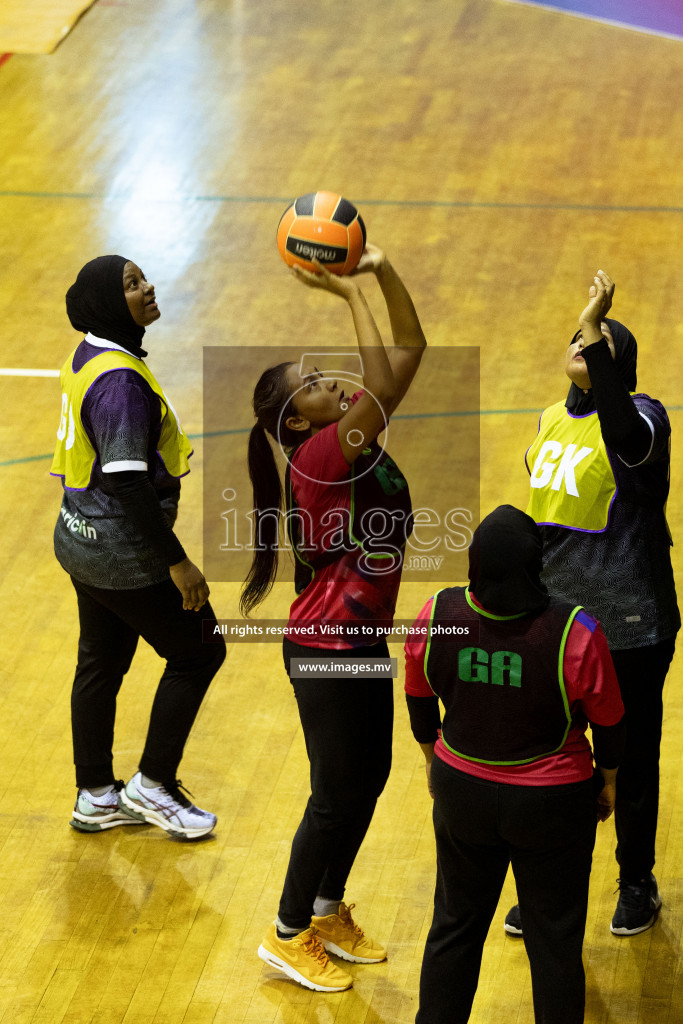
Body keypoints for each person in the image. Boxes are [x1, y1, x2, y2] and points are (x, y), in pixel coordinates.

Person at [242, 245, 426, 991]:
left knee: (369, 777)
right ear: (295, 419)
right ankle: (286, 932)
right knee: (332, 790)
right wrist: (347, 295)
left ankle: (324, 910)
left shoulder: (350, 437)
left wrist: (381, 271)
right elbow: (380, 382)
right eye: (313, 384)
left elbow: (408, 348)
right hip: (323, 646)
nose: (330, 385)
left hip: (356, 638)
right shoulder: (319, 454)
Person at [405, 505, 625, 1024]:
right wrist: (608, 781)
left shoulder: (438, 613)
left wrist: (433, 761)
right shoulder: (575, 630)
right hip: (552, 805)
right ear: (537, 563)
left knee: (454, 929)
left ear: (474, 563)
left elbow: (418, 697)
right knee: (554, 944)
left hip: (462, 793)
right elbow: (611, 723)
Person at [520, 269, 680, 936]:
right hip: (560, 623)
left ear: (618, 366)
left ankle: (635, 883)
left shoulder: (643, 418)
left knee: (632, 759)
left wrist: (596, 328)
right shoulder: (550, 418)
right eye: (575, 338)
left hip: (630, 623)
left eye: (595, 342)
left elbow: (626, 441)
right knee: (555, 756)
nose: (580, 346)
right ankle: (551, 892)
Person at [51, 255, 225, 840]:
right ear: (108, 302)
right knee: (201, 651)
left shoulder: (91, 352)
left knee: (100, 660)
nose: (148, 287)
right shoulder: (121, 383)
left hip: (79, 536)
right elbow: (126, 480)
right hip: (121, 552)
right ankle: (153, 785)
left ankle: (96, 794)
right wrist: (177, 561)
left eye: (143, 277)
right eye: (131, 284)